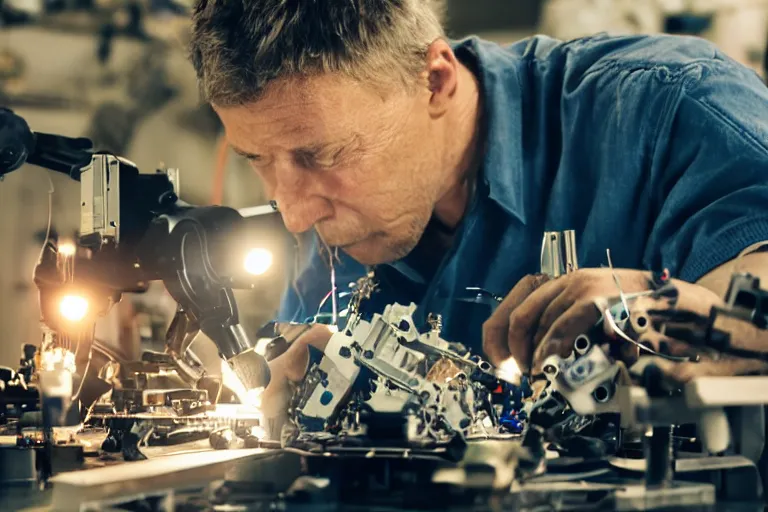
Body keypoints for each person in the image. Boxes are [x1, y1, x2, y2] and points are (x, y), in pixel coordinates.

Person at [187, 0, 768, 412]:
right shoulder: (331, 216)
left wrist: (661, 314)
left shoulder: (670, 108)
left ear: (435, 80)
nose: (293, 214)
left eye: (325, 155)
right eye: (256, 159)